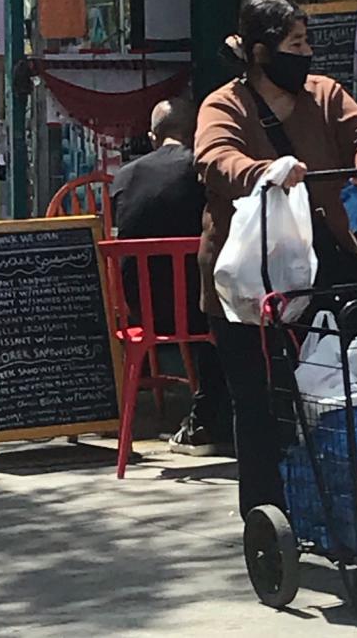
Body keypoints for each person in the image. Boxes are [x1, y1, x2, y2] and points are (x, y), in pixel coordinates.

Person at [195, 0, 357, 520]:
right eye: (295, 44)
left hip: (328, 257)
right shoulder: (225, 105)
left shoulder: (324, 94)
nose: (306, 53)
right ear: (261, 53)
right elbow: (215, 157)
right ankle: (268, 516)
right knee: (261, 399)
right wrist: (263, 173)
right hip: (251, 277)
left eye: (307, 42)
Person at [110, 98, 233, 456]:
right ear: (196, 134)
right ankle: (216, 419)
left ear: (153, 137)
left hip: (141, 311)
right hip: (200, 309)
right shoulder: (203, 170)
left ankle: (204, 419)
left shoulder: (124, 176)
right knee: (230, 310)